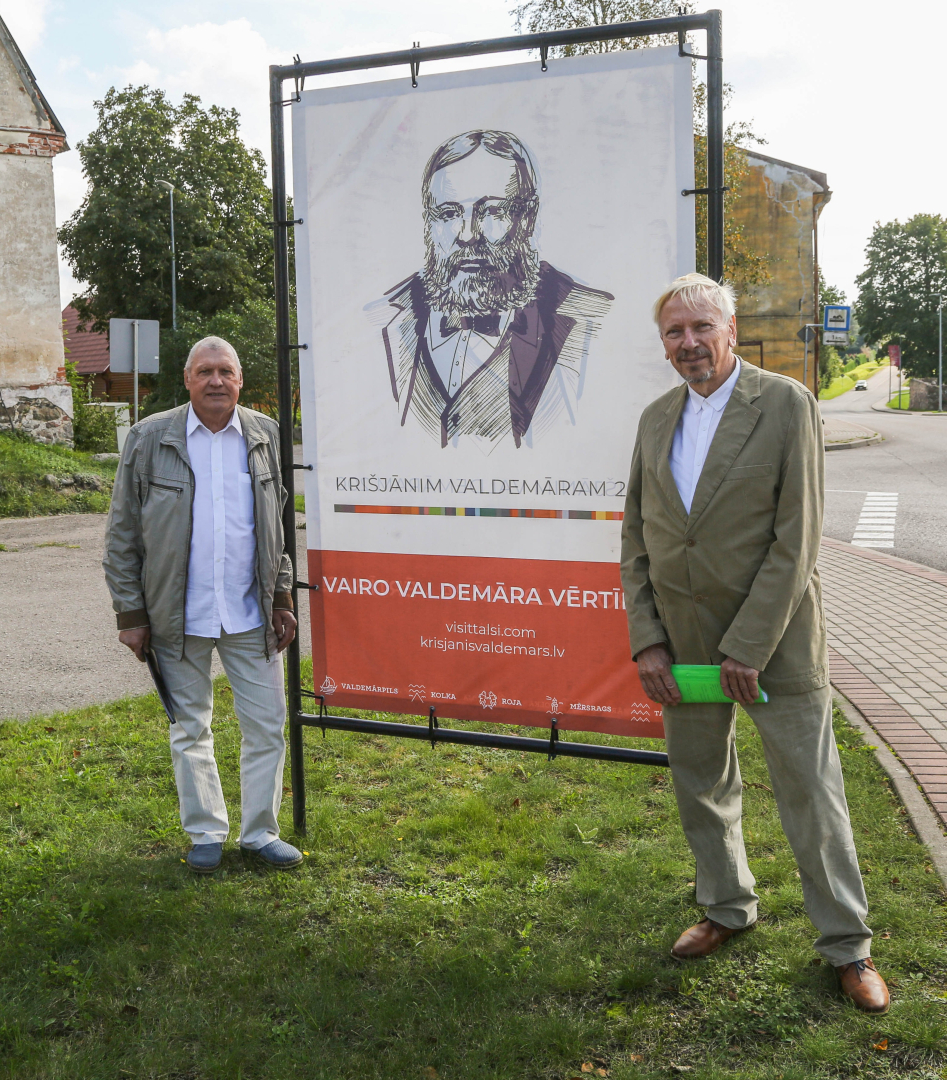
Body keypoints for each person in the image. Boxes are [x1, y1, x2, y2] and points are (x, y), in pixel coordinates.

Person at [620, 273, 889, 1013]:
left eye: (701, 327)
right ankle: (726, 906)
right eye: (674, 332)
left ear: (730, 330)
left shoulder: (782, 404)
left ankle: (847, 945)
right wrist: (647, 640)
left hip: (775, 644)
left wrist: (747, 644)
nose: (688, 343)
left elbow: (795, 536)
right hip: (682, 643)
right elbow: (635, 538)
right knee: (700, 780)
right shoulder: (653, 420)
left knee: (809, 790)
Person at [103, 336, 302, 874]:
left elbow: (279, 529)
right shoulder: (149, 439)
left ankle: (259, 833)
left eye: (226, 372)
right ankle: (206, 832)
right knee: (190, 728)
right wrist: (131, 614)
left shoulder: (264, 435)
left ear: (240, 379)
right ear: (187, 379)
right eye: (205, 371)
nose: (216, 381)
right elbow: (122, 534)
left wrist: (282, 596)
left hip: (250, 614)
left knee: (267, 725)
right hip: (177, 615)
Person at [367, 129, 613, 450]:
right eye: (449, 213)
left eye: (493, 211)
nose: (468, 234)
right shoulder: (383, 317)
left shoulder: (591, 320)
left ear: (527, 217)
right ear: (429, 223)